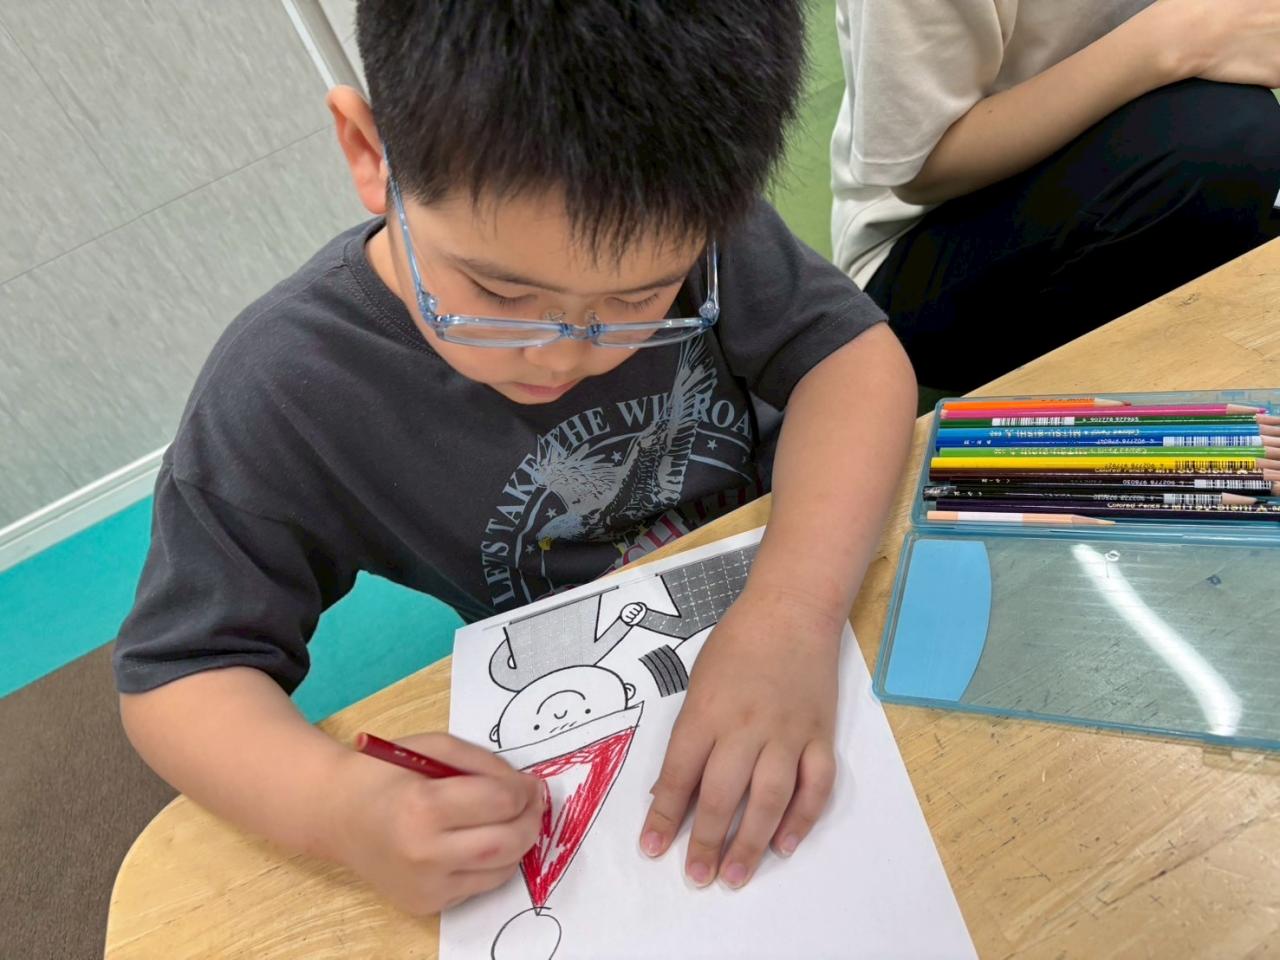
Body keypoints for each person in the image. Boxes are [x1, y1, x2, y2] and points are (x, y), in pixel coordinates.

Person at [113, 1, 916, 917]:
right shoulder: (287, 387)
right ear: (372, 153)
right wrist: (342, 809)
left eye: (640, 298)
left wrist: (793, 615)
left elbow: (850, 357)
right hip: (582, 694)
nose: (562, 352)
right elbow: (180, 676)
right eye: (498, 293)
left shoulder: (679, 195)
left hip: (806, 573)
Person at [830, 0, 1280, 399]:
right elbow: (919, 171)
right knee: (1231, 136)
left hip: (1132, 144)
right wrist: (1173, 39)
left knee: (1230, 141)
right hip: (926, 243)